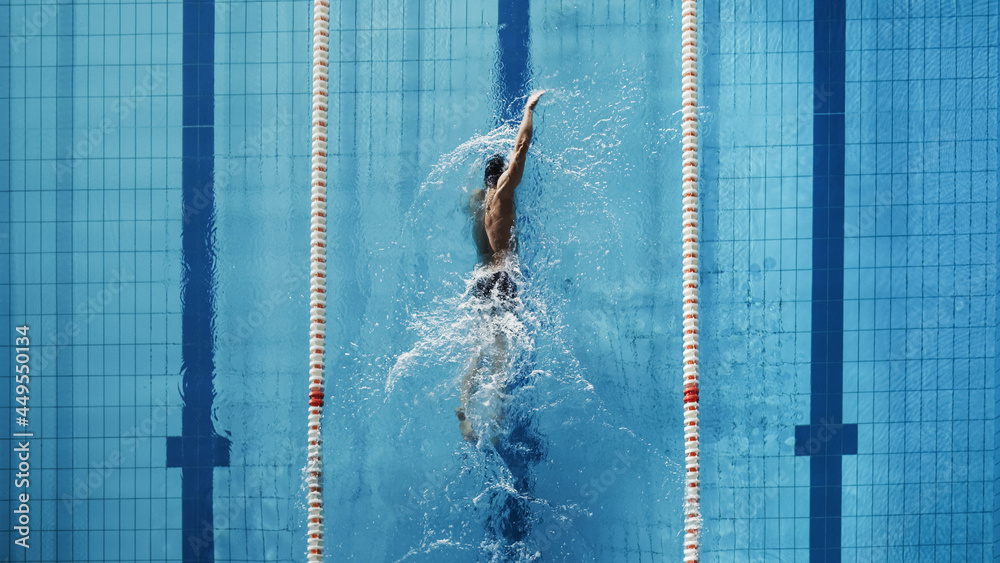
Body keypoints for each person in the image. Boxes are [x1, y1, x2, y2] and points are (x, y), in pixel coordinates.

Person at [457, 90, 544, 443]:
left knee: (476, 347)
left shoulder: (476, 202)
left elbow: (472, 194)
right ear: (501, 176)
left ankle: (464, 408)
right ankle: (494, 421)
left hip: (479, 278)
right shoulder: (504, 193)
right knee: (502, 352)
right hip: (503, 277)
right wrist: (528, 109)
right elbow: (520, 148)